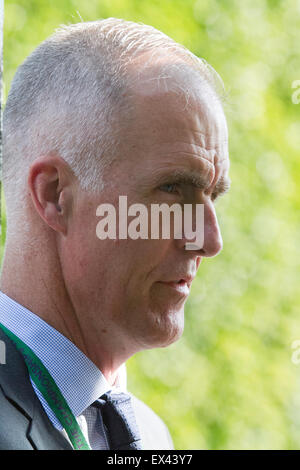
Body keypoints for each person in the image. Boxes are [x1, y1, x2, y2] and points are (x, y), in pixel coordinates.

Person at [0, 18, 230, 450]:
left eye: (213, 195)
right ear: (55, 196)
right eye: (171, 189)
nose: (209, 241)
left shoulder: (150, 434)